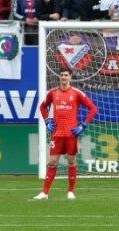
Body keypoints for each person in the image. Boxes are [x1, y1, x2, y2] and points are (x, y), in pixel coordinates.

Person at [34, 68, 98, 200]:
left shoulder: (77, 93)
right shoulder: (52, 93)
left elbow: (93, 109)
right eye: (62, 75)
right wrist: (47, 121)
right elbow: (42, 107)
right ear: (59, 77)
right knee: (52, 161)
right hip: (57, 133)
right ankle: (45, 193)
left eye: (66, 75)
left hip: (71, 134)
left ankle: (71, 191)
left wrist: (83, 125)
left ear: (70, 77)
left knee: (71, 161)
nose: (63, 77)